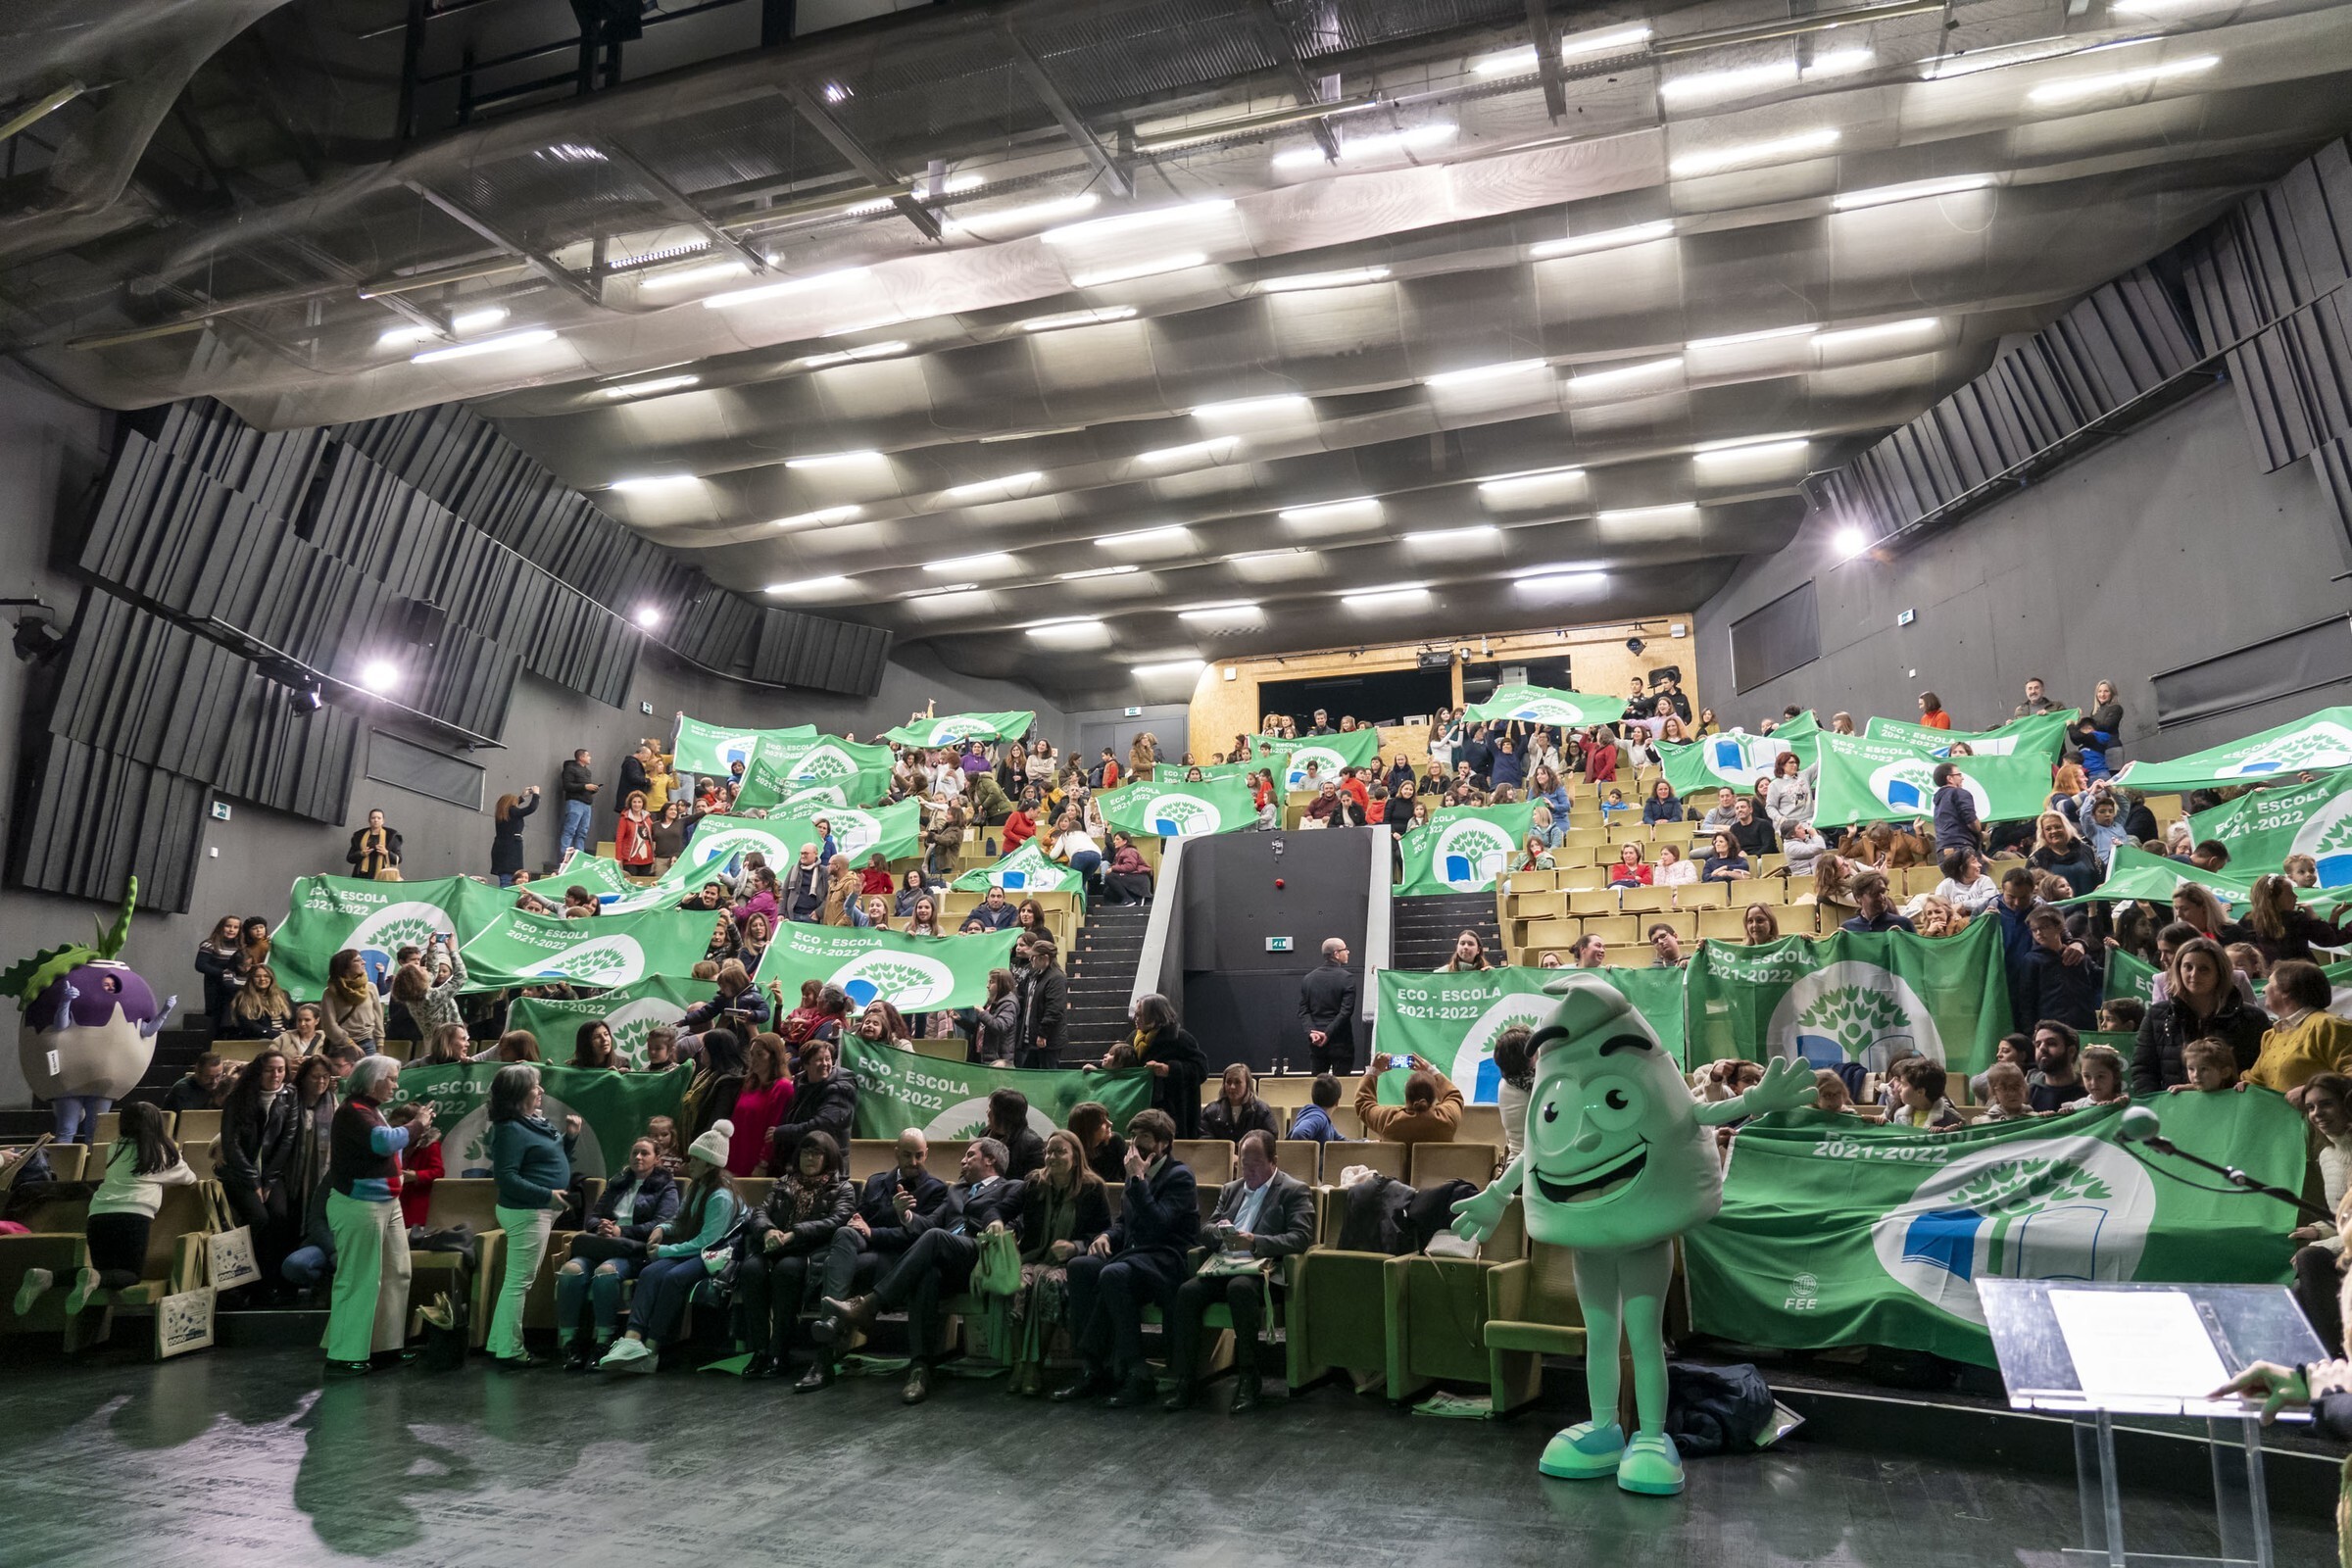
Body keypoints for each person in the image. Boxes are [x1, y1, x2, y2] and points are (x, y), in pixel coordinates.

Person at [814, 1137, 1028, 1405]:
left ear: (990, 1160)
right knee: (926, 1274)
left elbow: (1017, 1225)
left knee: (936, 1238)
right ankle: (920, 1369)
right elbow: (929, 1224)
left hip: (980, 1254)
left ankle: (869, 1305)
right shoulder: (956, 1190)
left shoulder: (1012, 1187)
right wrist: (906, 1216)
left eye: (970, 1155)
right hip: (945, 1259)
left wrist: (999, 1228)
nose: (962, 1160)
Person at [1161, 1128, 1315, 1412]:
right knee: (1187, 1292)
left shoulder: (1293, 1190)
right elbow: (1205, 1229)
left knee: (1240, 1288)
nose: (1249, 1171)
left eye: (1256, 1164)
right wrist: (1218, 1231)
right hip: (1226, 1265)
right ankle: (1186, 1379)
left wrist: (1256, 1241)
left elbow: (1301, 1238)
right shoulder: (1231, 1190)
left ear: (1273, 1161)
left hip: (1264, 1272)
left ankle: (1249, 1378)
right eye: (1244, 1164)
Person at [1054, 1109, 1200, 1407]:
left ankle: (1137, 1372)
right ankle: (1093, 1368)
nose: (1136, 1143)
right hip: (1133, 1256)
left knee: (1113, 1273)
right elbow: (1124, 1222)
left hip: (1166, 1258)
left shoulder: (1179, 1176)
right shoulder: (1135, 1175)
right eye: (1134, 1136)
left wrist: (1137, 1179)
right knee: (1081, 1266)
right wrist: (1107, 1235)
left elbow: (1159, 1224)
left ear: (1163, 1144)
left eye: (1144, 1136)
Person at [13, 1102, 195, 1322]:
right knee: (129, 1275)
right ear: (157, 1124)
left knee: (103, 1273)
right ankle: (88, 1277)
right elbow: (189, 1178)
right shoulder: (161, 1153)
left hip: (99, 1214)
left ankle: (48, 1277)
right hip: (133, 1216)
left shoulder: (115, 1147)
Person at [803, 1129, 952, 1391]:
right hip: (868, 1248)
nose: (914, 1162)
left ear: (926, 1154)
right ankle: (831, 1321)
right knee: (845, 1233)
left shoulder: (936, 1189)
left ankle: (826, 1348)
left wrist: (875, 1231)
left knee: (842, 1262)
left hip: (902, 1258)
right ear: (896, 1153)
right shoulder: (875, 1181)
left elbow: (919, 1236)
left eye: (919, 1155)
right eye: (907, 1155)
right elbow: (861, 1217)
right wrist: (859, 1223)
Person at [597, 1119, 743, 1374]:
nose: (690, 1163)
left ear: (710, 1165)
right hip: (695, 1250)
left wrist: (665, 1250)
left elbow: (707, 1242)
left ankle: (652, 1348)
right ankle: (632, 1339)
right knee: (650, 1272)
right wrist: (662, 1228)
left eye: (696, 1160)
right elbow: (679, 1219)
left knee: (673, 1277)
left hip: (716, 1254)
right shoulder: (697, 1187)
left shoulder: (721, 1195)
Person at [323, 1055, 434, 1375]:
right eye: (391, 1079)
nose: (396, 1085)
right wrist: (417, 1125)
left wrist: (413, 1133)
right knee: (359, 1279)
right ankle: (344, 1354)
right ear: (373, 1080)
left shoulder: (371, 1111)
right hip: (360, 1205)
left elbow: (389, 1147)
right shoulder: (353, 1112)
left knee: (397, 1274)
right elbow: (383, 1143)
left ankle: (385, 1346)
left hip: (386, 1204)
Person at [737, 1131, 857, 1381]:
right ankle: (760, 1350)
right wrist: (768, 1230)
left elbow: (836, 1221)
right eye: (805, 1152)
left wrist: (794, 1234)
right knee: (751, 1270)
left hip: (810, 1251)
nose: (809, 1158)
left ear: (828, 1157)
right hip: (774, 1245)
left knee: (786, 1270)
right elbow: (759, 1212)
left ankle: (778, 1351)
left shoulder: (842, 1188)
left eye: (816, 1153)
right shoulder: (784, 1182)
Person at [553, 1136, 679, 1370]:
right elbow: (592, 1217)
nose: (638, 1157)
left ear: (657, 1159)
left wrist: (622, 1231)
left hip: (633, 1250)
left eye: (644, 1153)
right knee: (570, 1270)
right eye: (634, 1153)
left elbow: (663, 1223)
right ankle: (570, 1342)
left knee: (605, 1272)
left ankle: (603, 1341)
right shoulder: (617, 1182)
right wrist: (600, 1227)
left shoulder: (666, 1186)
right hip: (602, 1243)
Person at [484, 1064, 576, 1370]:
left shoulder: (531, 1122)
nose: (541, 1091)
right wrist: (547, 1195)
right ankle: (511, 1350)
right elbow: (506, 1178)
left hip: (536, 1211)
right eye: (535, 1086)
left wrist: (570, 1138)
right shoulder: (510, 1129)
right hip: (526, 1212)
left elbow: (549, 1157)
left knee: (517, 1281)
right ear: (519, 1093)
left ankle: (499, 1344)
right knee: (518, 1282)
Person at [1007, 1129, 1113, 1396]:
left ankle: (1036, 1365)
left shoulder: (1092, 1187)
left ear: (1075, 1157)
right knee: (1018, 1284)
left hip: (1070, 1264)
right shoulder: (1034, 1183)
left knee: (1049, 1283)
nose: (1052, 1157)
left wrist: (1076, 1246)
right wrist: (998, 1224)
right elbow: (1004, 1209)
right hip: (1034, 1256)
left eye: (1060, 1151)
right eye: (1049, 1151)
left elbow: (1104, 1231)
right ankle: (1020, 1363)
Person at [217, 1049, 299, 1288]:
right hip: (240, 1173)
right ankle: (248, 1281)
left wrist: (268, 1181)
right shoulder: (238, 1098)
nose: (276, 1075)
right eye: (270, 1070)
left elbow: (287, 1141)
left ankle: (274, 1279)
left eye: (280, 1070)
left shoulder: (290, 1096)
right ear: (258, 1072)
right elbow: (231, 1145)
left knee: (280, 1216)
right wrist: (254, 1181)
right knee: (259, 1218)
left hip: (272, 1173)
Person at [2288, 1074, 2352, 1356]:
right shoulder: (2327, 1156)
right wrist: (2318, 1229)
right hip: (2346, 1247)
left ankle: (2337, 1360)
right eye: (2311, 1107)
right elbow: (2341, 1216)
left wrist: (2322, 1244)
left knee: (2310, 1257)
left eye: (2326, 1104)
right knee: (2298, 1293)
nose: (2317, 1114)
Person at [2247, 960, 2352, 1094]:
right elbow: (2255, 1079)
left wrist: (2312, 1090)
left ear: (2286, 991)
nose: (2264, 989)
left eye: (2270, 983)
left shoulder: (2328, 1025)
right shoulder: (2271, 1035)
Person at [1121, 992, 1207, 1138]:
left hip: (1173, 1113)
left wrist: (1169, 1069)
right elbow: (1121, 1061)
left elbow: (1201, 1069)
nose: (1135, 1018)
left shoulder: (1179, 1038)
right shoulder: (1133, 1038)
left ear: (1155, 1015)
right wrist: (1099, 1068)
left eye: (1140, 1015)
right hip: (1141, 1108)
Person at [768, 1036, 858, 1172]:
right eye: (819, 1060)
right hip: (802, 1160)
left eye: (828, 1059)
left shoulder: (841, 1089)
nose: (825, 1064)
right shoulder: (801, 1082)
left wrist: (783, 1132)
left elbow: (822, 1126)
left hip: (830, 1166)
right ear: (805, 1064)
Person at [2018, 907, 2101, 1030]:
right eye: (2034, 930)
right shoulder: (2032, 960)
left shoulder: (2080, 956)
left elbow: (2101, 979)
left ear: (2059, 927)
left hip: (2084, 1022)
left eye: (2044, 927)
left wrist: (2113, 951)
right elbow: (2027, 1000)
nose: (2039, 933)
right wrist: (2030, 1031)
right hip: (2051, 1025)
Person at [728, 1034, 796, 1178]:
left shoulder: (783, 1087)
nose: (753, 1059)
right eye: (752, 1054)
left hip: (757, 1163)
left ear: (774, 1057)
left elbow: (773, 1129)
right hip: (735, 1157)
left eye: (760, 1054)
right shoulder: (749, 1084)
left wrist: (763, 1163)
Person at [1356, 1054, 1462, 1143]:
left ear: (1406, 1095)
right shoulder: (1448, 1118)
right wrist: (1433, 1072)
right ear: (1435, 1095)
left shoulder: (1388, 1120)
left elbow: (1364, 1105)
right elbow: (1454, 1096)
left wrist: (1373, 1071)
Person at [1298, 936, 1357, 1076]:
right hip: (1341, 1042)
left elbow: (1303, 1010)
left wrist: (1312, 1032)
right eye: (1345, 949)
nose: (1348, 952)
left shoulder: (1308, 978)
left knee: (1318, 1084)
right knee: (1342, 1084)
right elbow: (1346, 1011)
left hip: (1316, 1042)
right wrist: (1327, 1033)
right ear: (1336, 954)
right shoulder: (1347, 978)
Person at [1014, 934, 1068, 1069]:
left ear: (1044, 958)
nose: (1030, 959)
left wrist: (1043, 1034)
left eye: (1033, 956)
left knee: (1047, 1074)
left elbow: (1054, 1009)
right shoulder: (1034, 975)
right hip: (1030, 1038)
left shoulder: (1056, 978)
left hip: (1047, 1040)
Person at [319, 949, 384, 1053]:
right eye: (357, 960)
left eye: (362, 959)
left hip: (368, 1042)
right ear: (345, 967)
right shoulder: (331, 992)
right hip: (341, 1045)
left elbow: (378, 1018)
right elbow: (329, 1024)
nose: (364, 962)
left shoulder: (370, 987)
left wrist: (380, 1044)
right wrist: (349, 1043)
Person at [1201, 1063, 1279, 1144]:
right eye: (1228, 1082)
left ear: (1247, 1085)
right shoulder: (1210, 1112)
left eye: (1237, 1082)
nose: (1232, 1087)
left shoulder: (1262, 1111)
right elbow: (1205, 1143)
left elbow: (1270, 1141)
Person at [986, 1088, 1048, 1182]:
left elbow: (1034, 1182)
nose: (987, 1112)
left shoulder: (1032, 1144)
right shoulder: (985, 1134)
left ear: (1002, 1115)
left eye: (991, 1108)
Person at [2025, 1022, 2086, 1111]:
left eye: (2051, 1043)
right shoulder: (2027, 1094)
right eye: (2038, 1044)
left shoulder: (2091, 1090)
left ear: (2071, 1051)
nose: (2042, 1048)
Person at [1889, 1057, 1963, 1130]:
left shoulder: (1950, 1118)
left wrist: (1945, 1133)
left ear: (1920, 1092)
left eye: (1903, 1084)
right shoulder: (1900, 1115)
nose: (1899, 1089)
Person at [1840, 870, 1916, 935]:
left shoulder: (1903, 924)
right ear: (1858, 898)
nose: (1882, 897)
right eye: (1875, 893)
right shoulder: (1848, 929)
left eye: (1883, 892)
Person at [1930, 762, 1982, 854]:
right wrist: (1979, 830)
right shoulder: (1959, 793)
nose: (1962, 778)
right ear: (1950, 779)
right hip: (1961, 848)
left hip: (1943, 850)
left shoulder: (1938, 799)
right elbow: (1972, 822)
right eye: (1959, 775)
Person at [559, 748, 599, 859]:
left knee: (582, 832)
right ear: (581, 757)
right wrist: (585, 786)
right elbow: (567, 786)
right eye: (588, 755)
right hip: (575, 803)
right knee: (570, 830)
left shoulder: (587, 771)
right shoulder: (570, 769)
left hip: (586, 804)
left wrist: (592, 790)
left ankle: (579, 857)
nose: (590, 757)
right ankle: (564, 857)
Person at [1933, 848, 1999, 915]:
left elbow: (1991, 901)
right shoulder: (1945, 886)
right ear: (1962, 868)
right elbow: (1938, 908)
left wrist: (1963, 905)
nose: (1980, 865)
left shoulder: (1984, 880)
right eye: (1974, 862)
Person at [1288, 1073, 1348, 1145]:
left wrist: (1360, 1143)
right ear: (1337, 1102)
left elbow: (1342, 1141)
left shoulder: (1323, 1119)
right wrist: (1310, 1151)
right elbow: (1298, 1133)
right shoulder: (1319, 1118)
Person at [2066, 1045, 2131, 1110]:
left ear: (2115, 1077)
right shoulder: (2078, 1106)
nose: (2093, 1083)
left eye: (2100, 1076)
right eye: (2087, 1076)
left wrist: (2118, 1105)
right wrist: (2065, 1113)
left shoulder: (2124, 1103)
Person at [163, 1053, 229, 1114]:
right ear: (197, 1072)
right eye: (208, 1077)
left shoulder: (222, 1086)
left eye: (218, 1076)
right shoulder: (182, 1090)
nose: (214, 1081)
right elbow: (191, 1119)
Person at [1764, 751, 1813, 833]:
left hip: (1809, 823)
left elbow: (1819, 763)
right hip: (1791, 827)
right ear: (1782, 765)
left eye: (1796, 763)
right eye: (1791, 762)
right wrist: (1781, 820)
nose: (1795, 765)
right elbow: (1770, 807)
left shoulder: (1804, 775)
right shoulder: (1774, 785)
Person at [346, 808, 402, 878]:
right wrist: (361, 854)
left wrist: (386, 853)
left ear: (383, 821)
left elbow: (398, 859)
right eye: (373, 818)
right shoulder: (359, 835)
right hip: (361, 875)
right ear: (369, 820)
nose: (376, 820)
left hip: (382, 876)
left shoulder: (391, 836)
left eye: (379, 818)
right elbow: (349, 858)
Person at [1102, 832, 1153, 906]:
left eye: (1117, 839)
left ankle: (1128, 899)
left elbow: (1130, 866)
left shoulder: (1129, 851)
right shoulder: (1120, 852)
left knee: (1110, 877)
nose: (1114, 841)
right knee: (1108, 892)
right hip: (1131, 878)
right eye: (1114, 839)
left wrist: (1113, 868)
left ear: (1125, 841)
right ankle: (1127, 901)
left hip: (1139, 879)